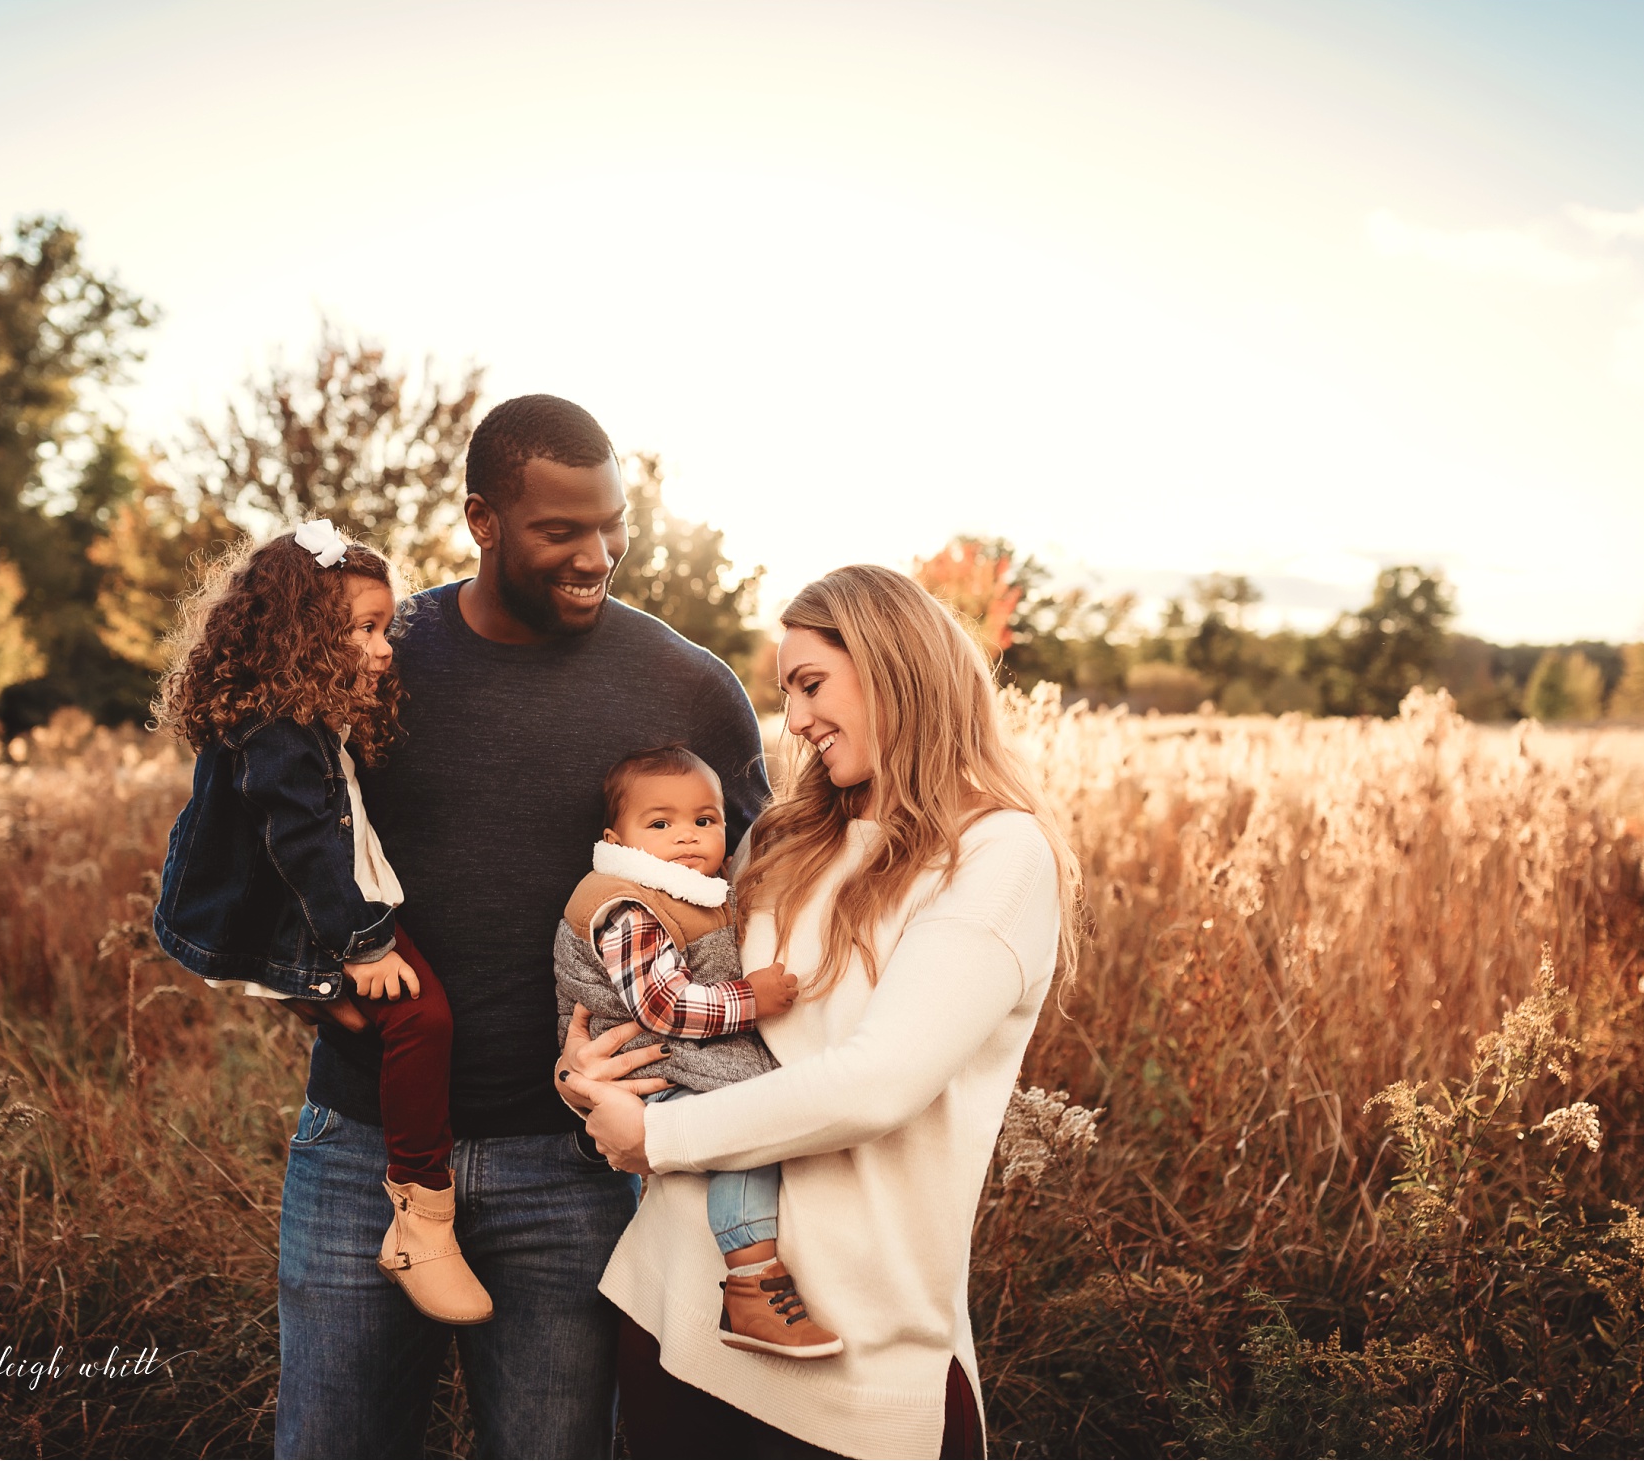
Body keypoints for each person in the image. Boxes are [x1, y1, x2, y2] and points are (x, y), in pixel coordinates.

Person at [276, 395, 772, 1459]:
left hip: (579, 1167)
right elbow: (262, 836)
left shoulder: (687, 687)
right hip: (363, 1151)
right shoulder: (374, 659)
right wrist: (315, 983)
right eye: (561, 531)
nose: (598, 555)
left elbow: (777, 892)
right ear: (480, 519)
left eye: (612, 525)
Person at [561, 564, 1084, 1460]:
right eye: (785, 693)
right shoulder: (781, 837)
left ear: (893, 665)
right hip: (675, 1296)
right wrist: (595, 1086)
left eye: (810, 684)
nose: (793, 721)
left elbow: (877, 1083)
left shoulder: (999, 855)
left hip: (856, 1351)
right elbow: (677, 1005)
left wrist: (655, 1140)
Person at [149, 524, 494, 1326]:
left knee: (388, 1019)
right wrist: (364, 945)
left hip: (315, 912)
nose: (383, 649)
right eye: (363, 630)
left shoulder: (295, 713)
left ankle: (420, 1205)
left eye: (385, 628)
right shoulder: (277, 730)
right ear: (303, 637)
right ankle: (422, 1217)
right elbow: (304, 842)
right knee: (421, 1016)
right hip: (312, 920)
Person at [554, 745, 840, 1358]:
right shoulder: (626, 904)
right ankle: (751, 1283)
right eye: (661, 824)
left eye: (704, 821)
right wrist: (751, 998)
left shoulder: (694, 891)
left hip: (676, 1055)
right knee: (742, 1133)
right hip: (656, 1061)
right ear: (617, 837)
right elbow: (663, 1006)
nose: (687, 836)